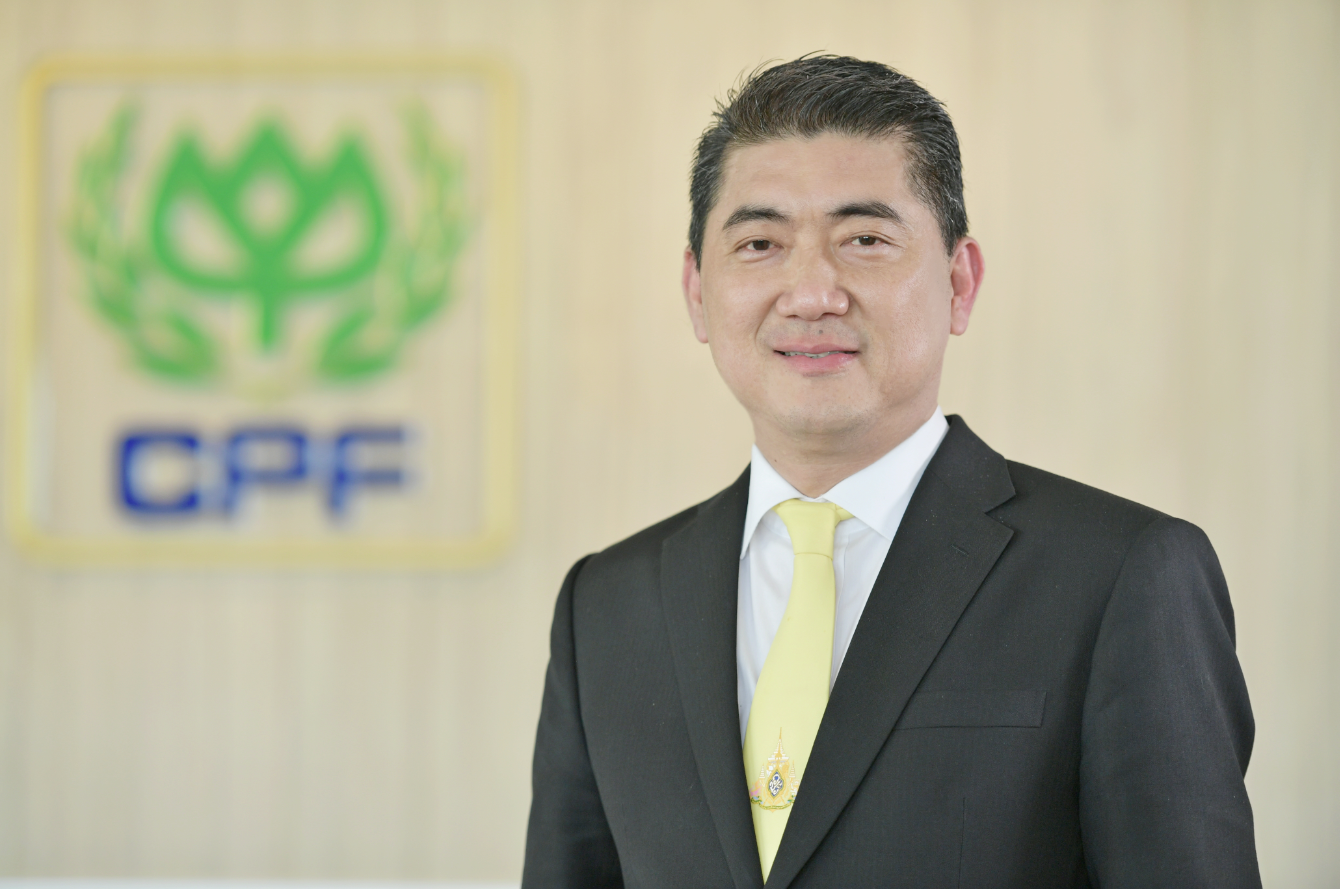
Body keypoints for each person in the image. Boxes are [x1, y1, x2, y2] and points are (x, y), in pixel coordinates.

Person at [521, 55, 1260, 888]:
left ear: (959, 283)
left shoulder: (1122, 575)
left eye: (865, 240)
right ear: (697, 291)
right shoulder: (605, 606)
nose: (811, 293)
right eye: (760, 244)